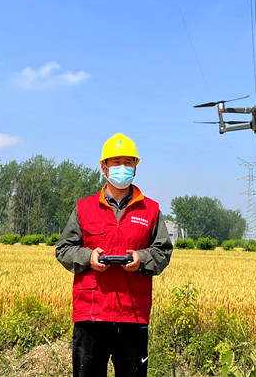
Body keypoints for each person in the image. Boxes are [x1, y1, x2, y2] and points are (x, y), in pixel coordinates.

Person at [56, 133, 173, 377]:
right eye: (116, 162)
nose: (122, 168)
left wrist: (141, 260)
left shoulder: (150, 210)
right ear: (104, 167)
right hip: (91, 314)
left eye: (128, 162)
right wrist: (89, 258)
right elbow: (64, 250)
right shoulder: (84, 208)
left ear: (135, 167)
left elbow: (162, 252)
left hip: (133, 314)